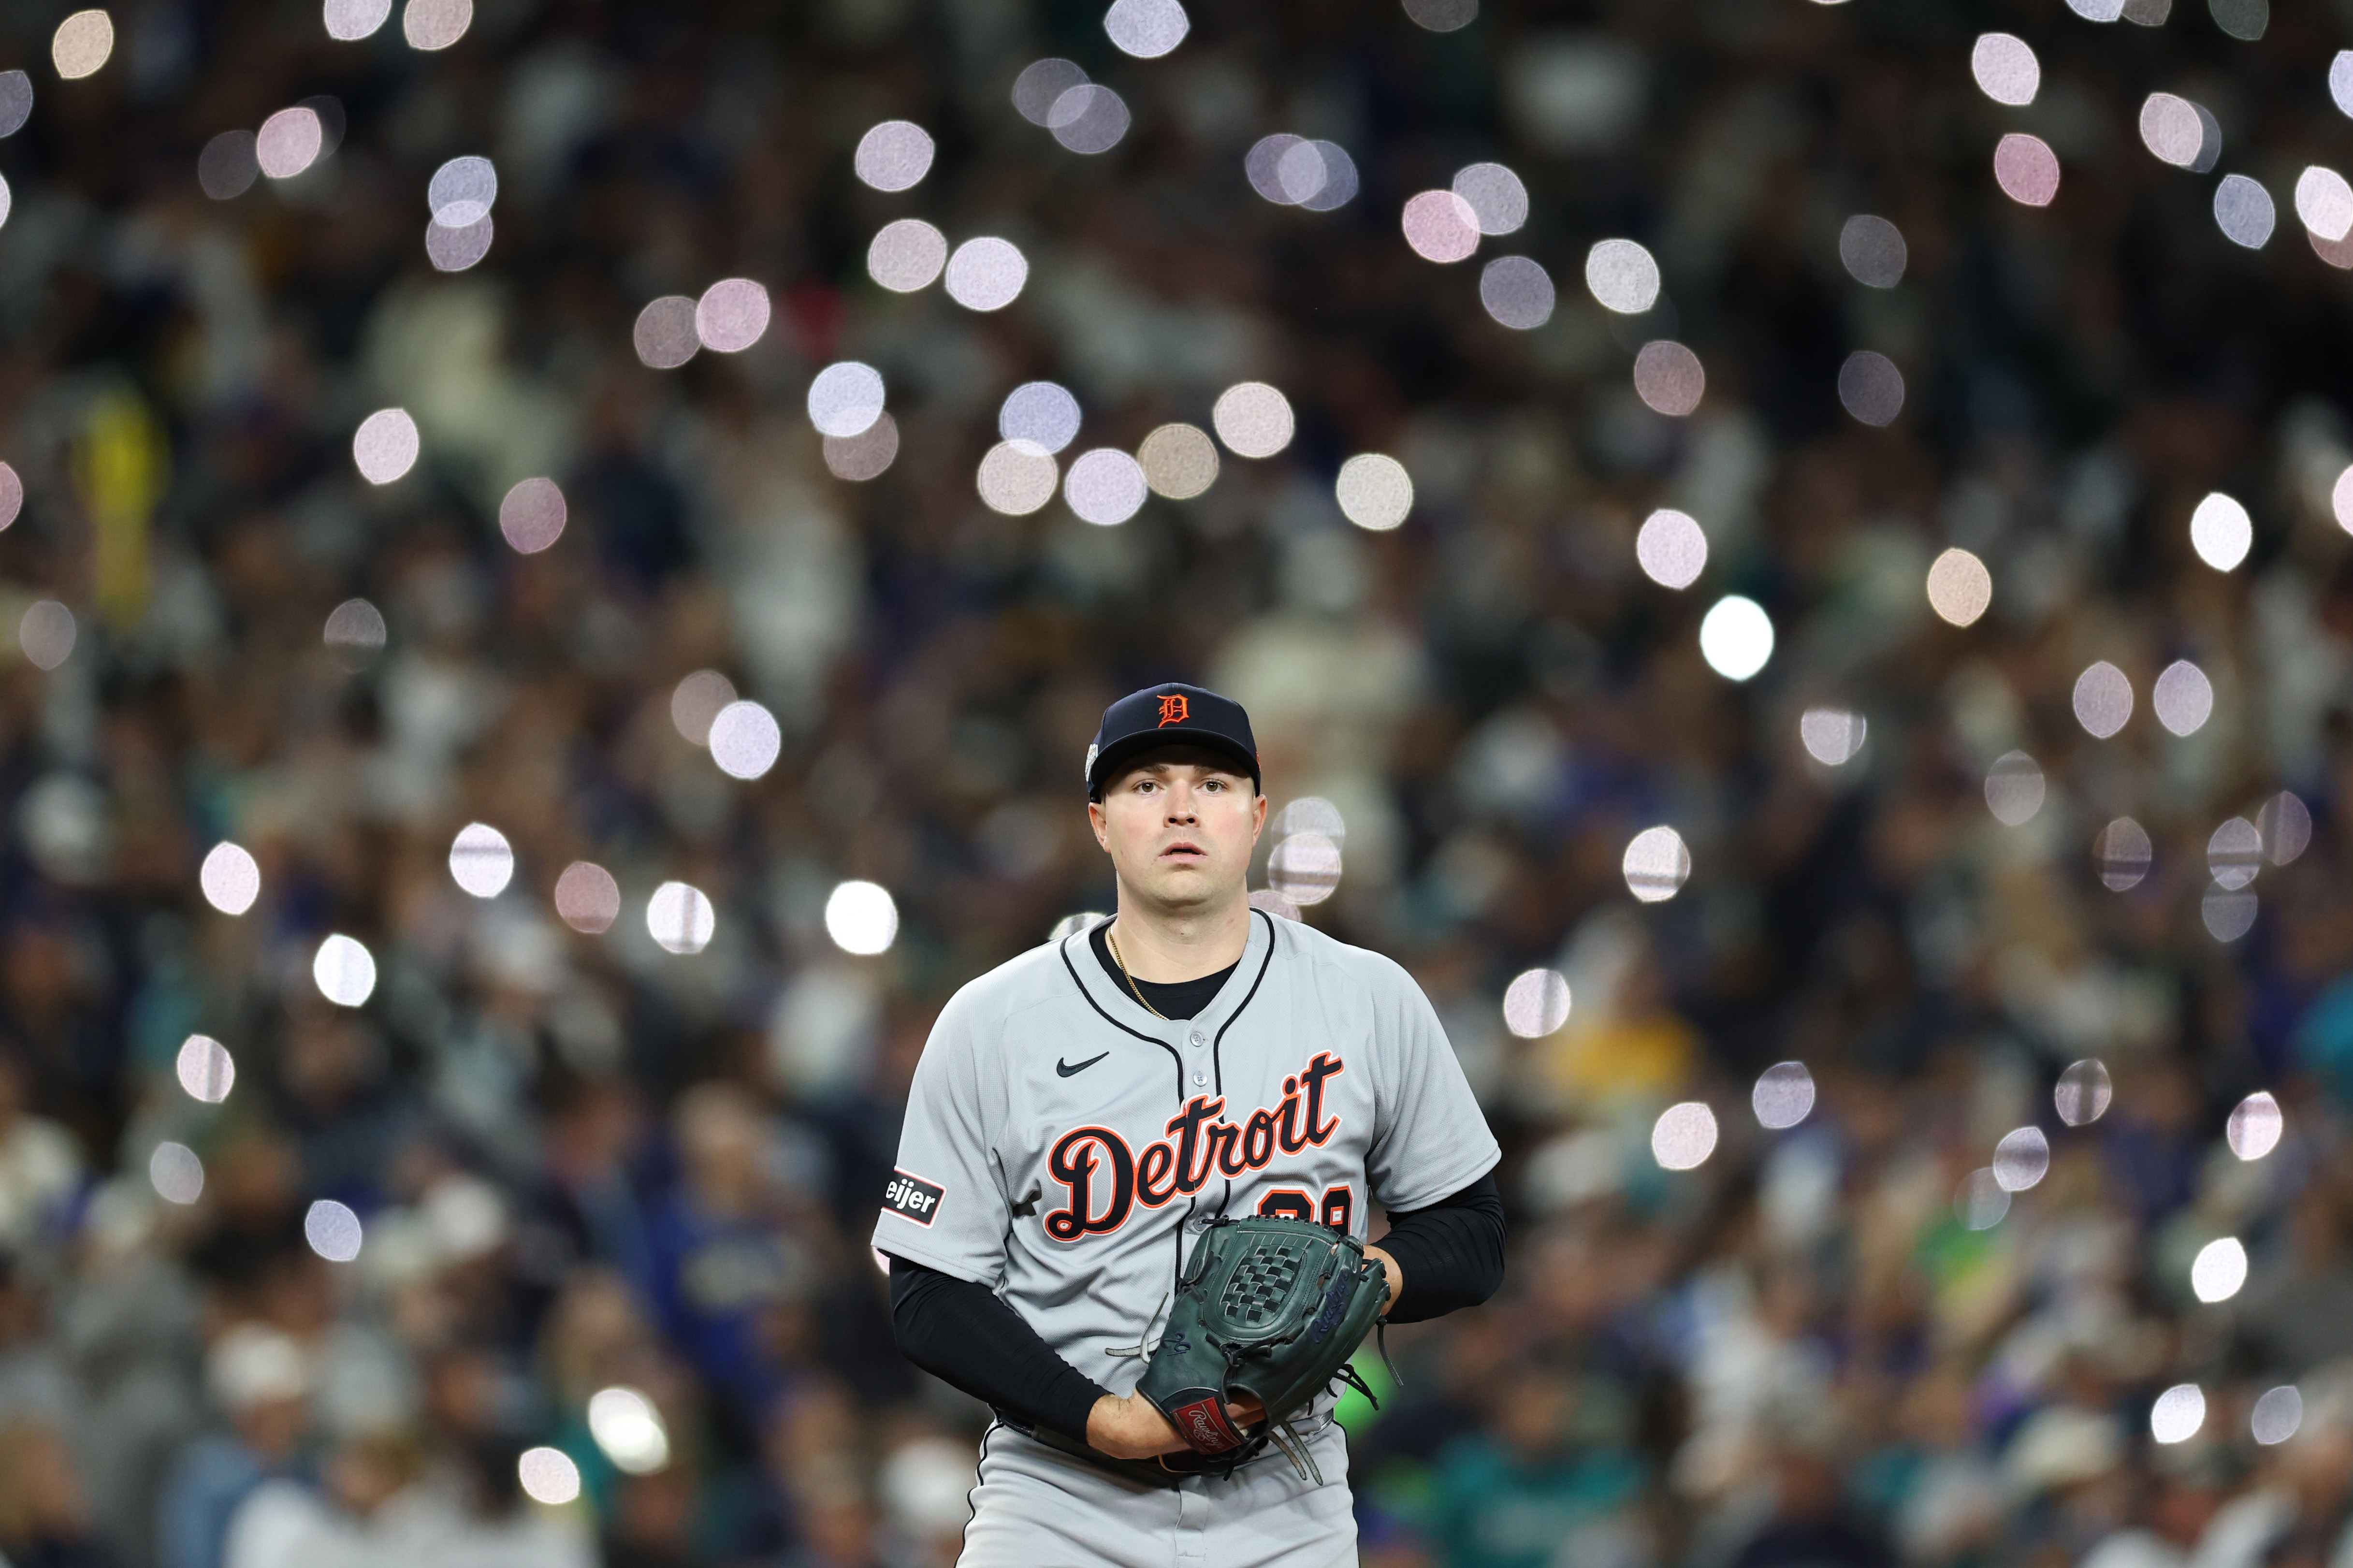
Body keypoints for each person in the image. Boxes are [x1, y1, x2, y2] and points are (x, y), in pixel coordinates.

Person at [874, 682, 1508, 1568]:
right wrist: (1110, 1422)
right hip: (1058, 1498)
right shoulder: (994, 1020)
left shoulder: (1368, 998)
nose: (1180, 808)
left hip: (1289, 1497)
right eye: (1145, 785)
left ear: (1255, 815)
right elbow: (929, 1293)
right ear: (1100, 821)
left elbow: (1473, 1234)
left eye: (1211, 784)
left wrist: (1361, 1281)